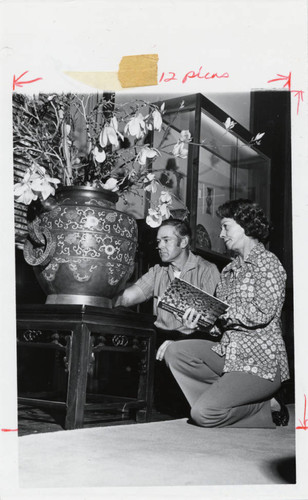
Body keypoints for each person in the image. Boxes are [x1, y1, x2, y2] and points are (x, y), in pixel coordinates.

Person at [159, 199, 290, 428]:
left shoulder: (269, 263)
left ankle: (266, 406)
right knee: (175, 351)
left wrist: (221, 313)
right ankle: (226, 398)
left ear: (246, 226)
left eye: (226, 226)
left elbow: (261, 313)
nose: (220, 234)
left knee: (204, 414)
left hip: (261, 361)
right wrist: (200, 320)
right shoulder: (229, 270)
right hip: (229, 352)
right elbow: (219, 326)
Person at [114, 218, 220, 414]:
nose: (159, 246)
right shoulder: (158, 272)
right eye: (158, 241)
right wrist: (104, 295)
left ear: (184, 242)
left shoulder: (207, 269)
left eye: (166, 240)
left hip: (196, 337)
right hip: (161, 336)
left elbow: (209, 318)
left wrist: (181, 336)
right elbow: (128, 297)